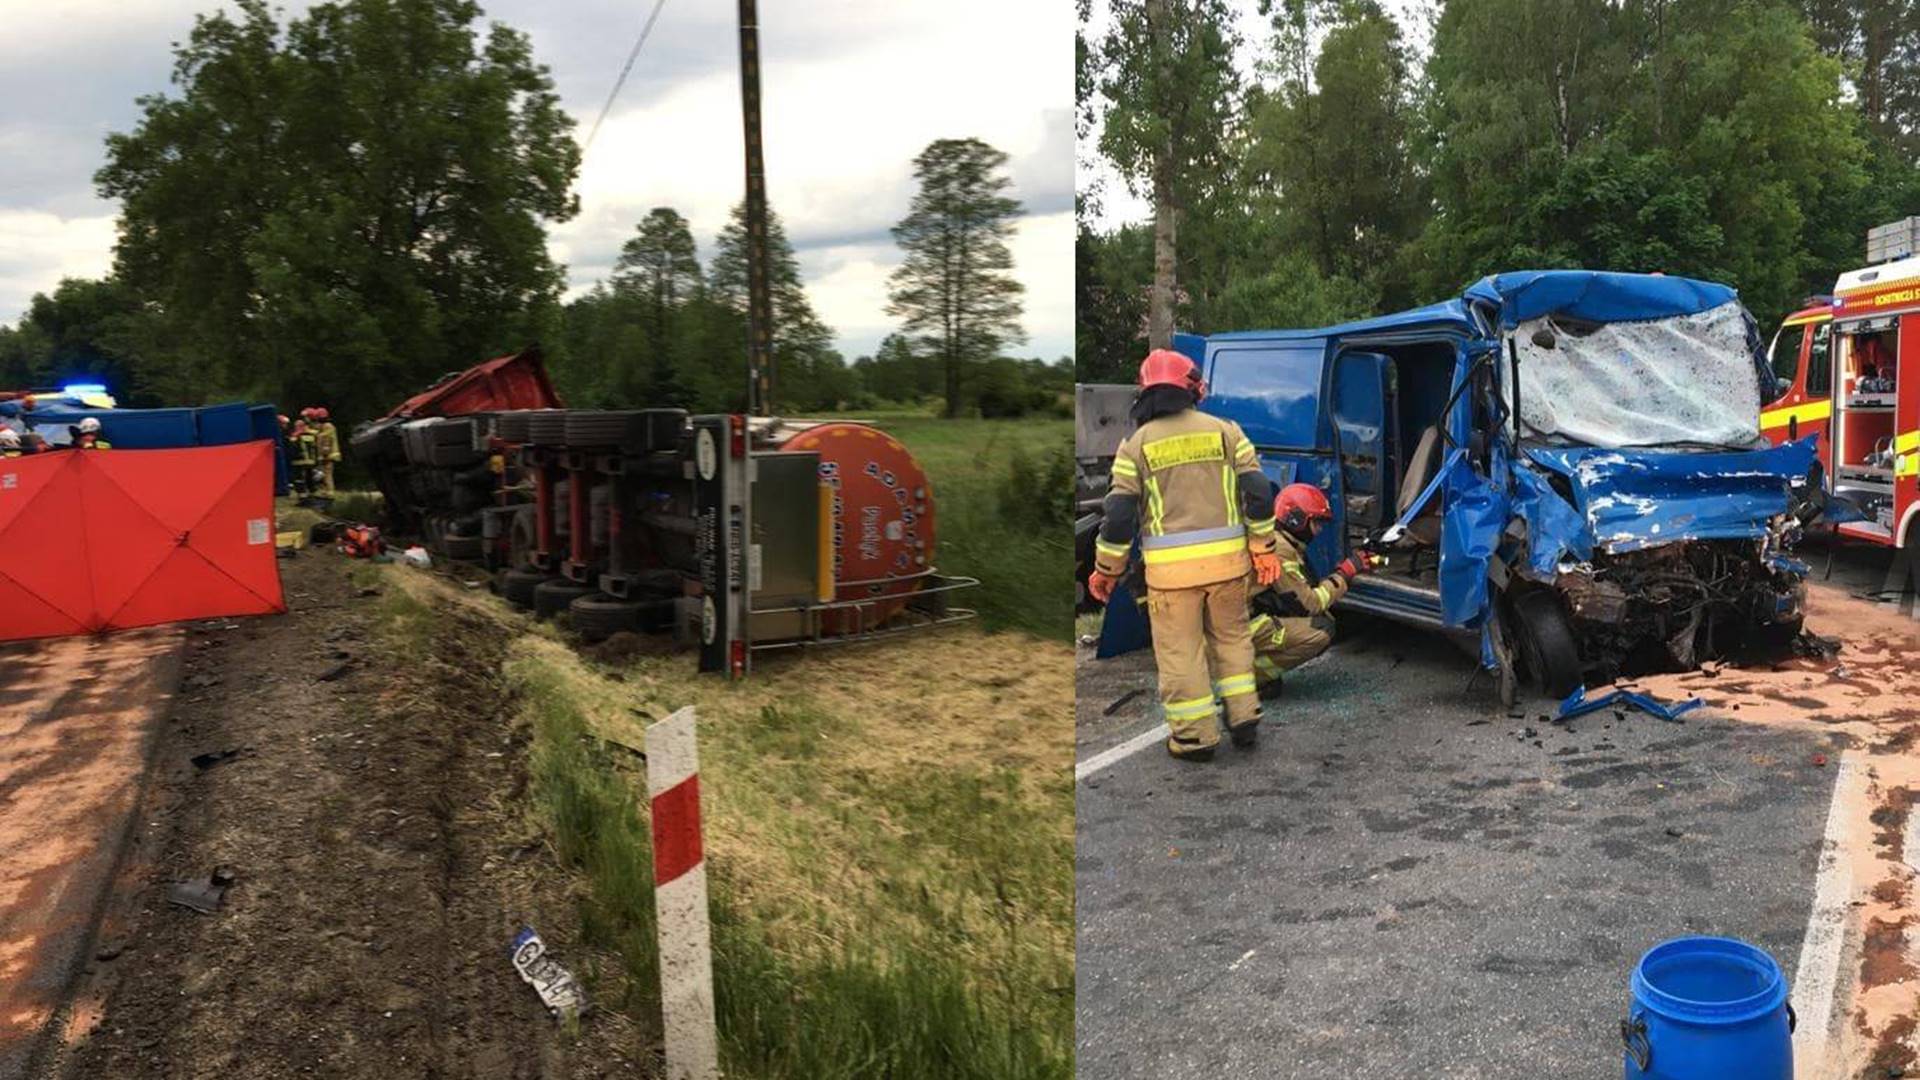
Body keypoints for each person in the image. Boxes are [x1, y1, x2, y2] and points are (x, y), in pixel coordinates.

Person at [1087, 348, 1280, 761]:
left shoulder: (1135, 446)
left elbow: (1118, 516)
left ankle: (1195, 738)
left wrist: (1107, 569)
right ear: (1194, 389)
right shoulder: (1227, 432)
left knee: (1182, 653)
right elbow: (1259, 494)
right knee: (1232, 640)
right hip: (1229, 569)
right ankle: (1244, 717)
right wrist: (1263, 547)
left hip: (1171, 579)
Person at [1248, 483, 1381, 697]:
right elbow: (1309, 603)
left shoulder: (1278, 540)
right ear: (1296, 520)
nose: (1318, 530)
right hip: (1239, 627)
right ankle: (1251, 678)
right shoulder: (1280, 550)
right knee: (1320, 630)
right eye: (1316, 523)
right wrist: (1345, 574)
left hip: (1237, 622)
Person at [313, 407, 341, 495]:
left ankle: (330, 491)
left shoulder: (327, 426)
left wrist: (324, 453)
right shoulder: (325, 426)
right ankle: (327, 490)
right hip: (327, 454)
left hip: (329, 454)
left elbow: (326, 440)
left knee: (327, 473)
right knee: (325, 473)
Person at [289, 419, 317, 496]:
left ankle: (302, 493)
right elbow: (313, 447)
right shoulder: (311, 435)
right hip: (310, 460)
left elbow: (293, 448)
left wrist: (291, 457)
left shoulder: (295, 436)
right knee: (309, 476)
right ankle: (312, 491)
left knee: (299, 478)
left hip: (298, 461)